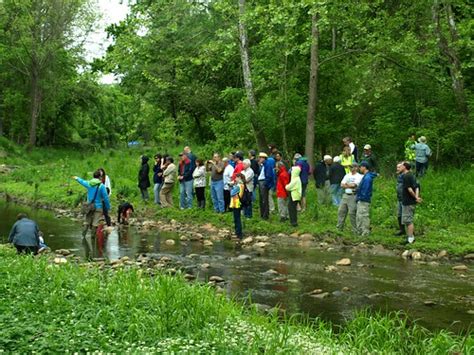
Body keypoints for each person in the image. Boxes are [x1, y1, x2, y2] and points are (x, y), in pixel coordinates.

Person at [73, 171, 110, 238]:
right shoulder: (102, 186)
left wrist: (77, 178)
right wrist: (108, 207)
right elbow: (105, 198)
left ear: (93, 176)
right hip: (98, 207)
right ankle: (93, 238)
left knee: (87, 221)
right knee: (95, 223)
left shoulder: (89, 184)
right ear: (100, 177)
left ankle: (83, 236)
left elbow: (82, 181)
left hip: (89, 206)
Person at [337, 163, 363, 233]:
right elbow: (342, 184)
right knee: (341, 211)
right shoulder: (347, 175)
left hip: (353, 195)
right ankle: (339, 228)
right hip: (345, 195)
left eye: (352, 167)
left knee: (352, 213)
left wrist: (347, 185)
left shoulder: (359, 176)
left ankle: (355, 230)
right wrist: (348, 185)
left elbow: (354, 185)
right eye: (350, 167)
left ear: (356, 168)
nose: (351, 169)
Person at [400, 162, 422, 244]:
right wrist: (416, 197)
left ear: (405, 167)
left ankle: (410, 239)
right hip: (411, 202)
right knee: (408, 220)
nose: (400, 167)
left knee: (408, 221)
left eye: (401, 165)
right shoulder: (412, 175)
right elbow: (417, 187)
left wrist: (416, 197)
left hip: (408, 202)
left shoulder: (406, 176)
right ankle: (410, 237)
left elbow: (409, 189)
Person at [355, 162, 377, 236]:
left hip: (363, 199)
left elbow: (366, 189)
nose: (359, 168)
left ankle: (365, 232)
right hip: (361, 198)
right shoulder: (366, 176)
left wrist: (361, 197)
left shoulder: (367, 178)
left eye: (360, 167)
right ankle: (360, 231)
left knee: (363, 216)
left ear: (364, 167)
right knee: (359, 216)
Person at [257, 152, 275, 220]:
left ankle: (265, 215)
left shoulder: (267, 164)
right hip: (262, 182)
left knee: (264, 200)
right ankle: (262, 214)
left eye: (260, 157)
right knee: (262, 200)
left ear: (264, 158)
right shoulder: (263, 165)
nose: (259, 159)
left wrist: (266, 184)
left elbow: (269, 175)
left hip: (264, 182)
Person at [229, 173, 245, 240]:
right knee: (237, 218)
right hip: (238, 203)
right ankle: (238, 232)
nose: (235, 179)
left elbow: (231, 193)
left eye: (236, 177)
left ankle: (238, 233)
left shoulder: (238, 185)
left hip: (237, 203)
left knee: (237, 219)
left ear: (239, 178)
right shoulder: (241, 185)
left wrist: (231, 187)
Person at [394, 162, 406, 236]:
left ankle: (410, 232)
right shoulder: (399, 176)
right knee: (399, 215)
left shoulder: (406, 176)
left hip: (405, 199)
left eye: (399, 167)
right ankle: (402, 230)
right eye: (397, 167)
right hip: (399, 198)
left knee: (405, 215)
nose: (397, 169)